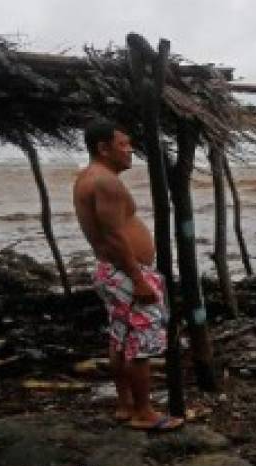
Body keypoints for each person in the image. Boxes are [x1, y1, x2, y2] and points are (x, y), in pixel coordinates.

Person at [73, 119, 183, 431]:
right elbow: (112, 236)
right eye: (123, 144)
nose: (129, 149)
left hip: (113, 271)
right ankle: (144, 412)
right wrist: (138, 278)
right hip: (125, 272)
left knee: (120, 339)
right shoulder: (105, 182)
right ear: (103, 148)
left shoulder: (90, 177)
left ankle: (125, 405)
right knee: (141, 344)